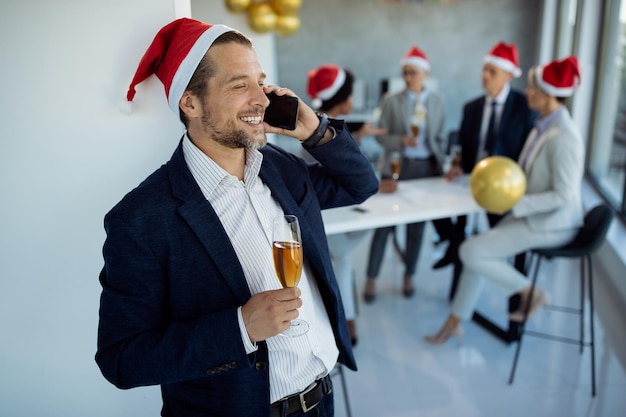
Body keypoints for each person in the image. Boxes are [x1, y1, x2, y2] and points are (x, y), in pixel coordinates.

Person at [95, 18, 379, 417]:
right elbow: (121, 358)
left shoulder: (282, 169)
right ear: (190, 102)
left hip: (322, 401)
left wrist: (317, 131)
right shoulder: (142, 218)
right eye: (238, 85)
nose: (261, 99)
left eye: (260, 82)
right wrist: (240, 328)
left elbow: (360, 185)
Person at [425, 56, 584, 344]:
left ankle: (531, 293)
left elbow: (564, 195)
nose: (528, 94)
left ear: (549, 94)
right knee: (477, 251)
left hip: (553, 224)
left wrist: (515, 205)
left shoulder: (565, 137)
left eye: (533, 89)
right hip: (532, 214)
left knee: (471, 251)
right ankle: (455, 321)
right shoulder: (544, 126)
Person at [432, 41, 538, 269]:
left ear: (509, 74)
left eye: (492, 71)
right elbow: (465, 147)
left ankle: (517, 298)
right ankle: (455, 256)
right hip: (473, 181)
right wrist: (458, 166)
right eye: (484, 69)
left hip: (507, 188)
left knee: (509, 241)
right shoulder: (471, 107)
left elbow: (528, 152)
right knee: (443, 213)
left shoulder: (524, 108)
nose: (485, 75)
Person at [306, 64, 387, 345]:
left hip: (343, 205)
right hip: (324, 212)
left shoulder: (335, 127)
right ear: (343, 96)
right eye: (350, 93)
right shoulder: (313, 132)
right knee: (342, 253)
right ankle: (347, 319)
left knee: (359, 237)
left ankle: (347, 316)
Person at [363, 45, 448, 302]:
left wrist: (443, 164)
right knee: (384, 226)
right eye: (405, 72)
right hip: (397, 167)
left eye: (413, 72)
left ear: (425, 73)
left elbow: (440, 138)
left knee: (417, 227)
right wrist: (401, 141)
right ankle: (371, 278)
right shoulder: (391, 100)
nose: (408, 77)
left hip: (425, 169)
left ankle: (409, 274)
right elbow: (382, 138)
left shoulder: (437, 102)